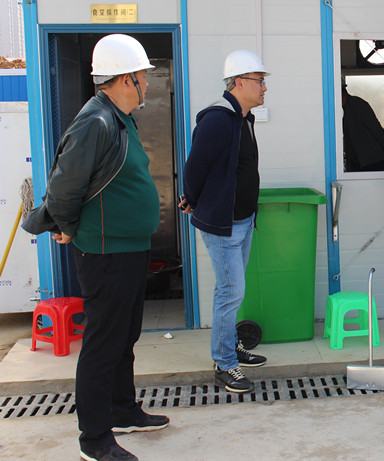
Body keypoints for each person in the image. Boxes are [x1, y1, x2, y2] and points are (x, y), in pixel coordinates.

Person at [22, 34, 168, 461]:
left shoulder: (118, 119)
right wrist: (67, 226)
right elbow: (64, 186)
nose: (147, 83)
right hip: (106, 253)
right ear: (124, 79)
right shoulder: (96, 122)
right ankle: (95, 439)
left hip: (127, 248)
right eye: (142, 76)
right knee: (104, 342)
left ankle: (122, 409)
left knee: (125, 335)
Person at [180, 49, 268, 394]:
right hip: (224, 223)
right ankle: (224, 364)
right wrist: (192, 198)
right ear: (239, 83)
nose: (264, 88)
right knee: (231, 292)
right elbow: (195, 167)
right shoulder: (218, 120)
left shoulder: (243, 119)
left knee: (231, 291)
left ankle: (230, 347)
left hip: (242, 220)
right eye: (259, 81)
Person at [342, 83, 384, 171]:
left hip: (372, 161)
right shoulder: (347, 109)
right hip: (360, 162)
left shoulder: (357, 105)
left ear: (342, 94)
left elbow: (377, 130)